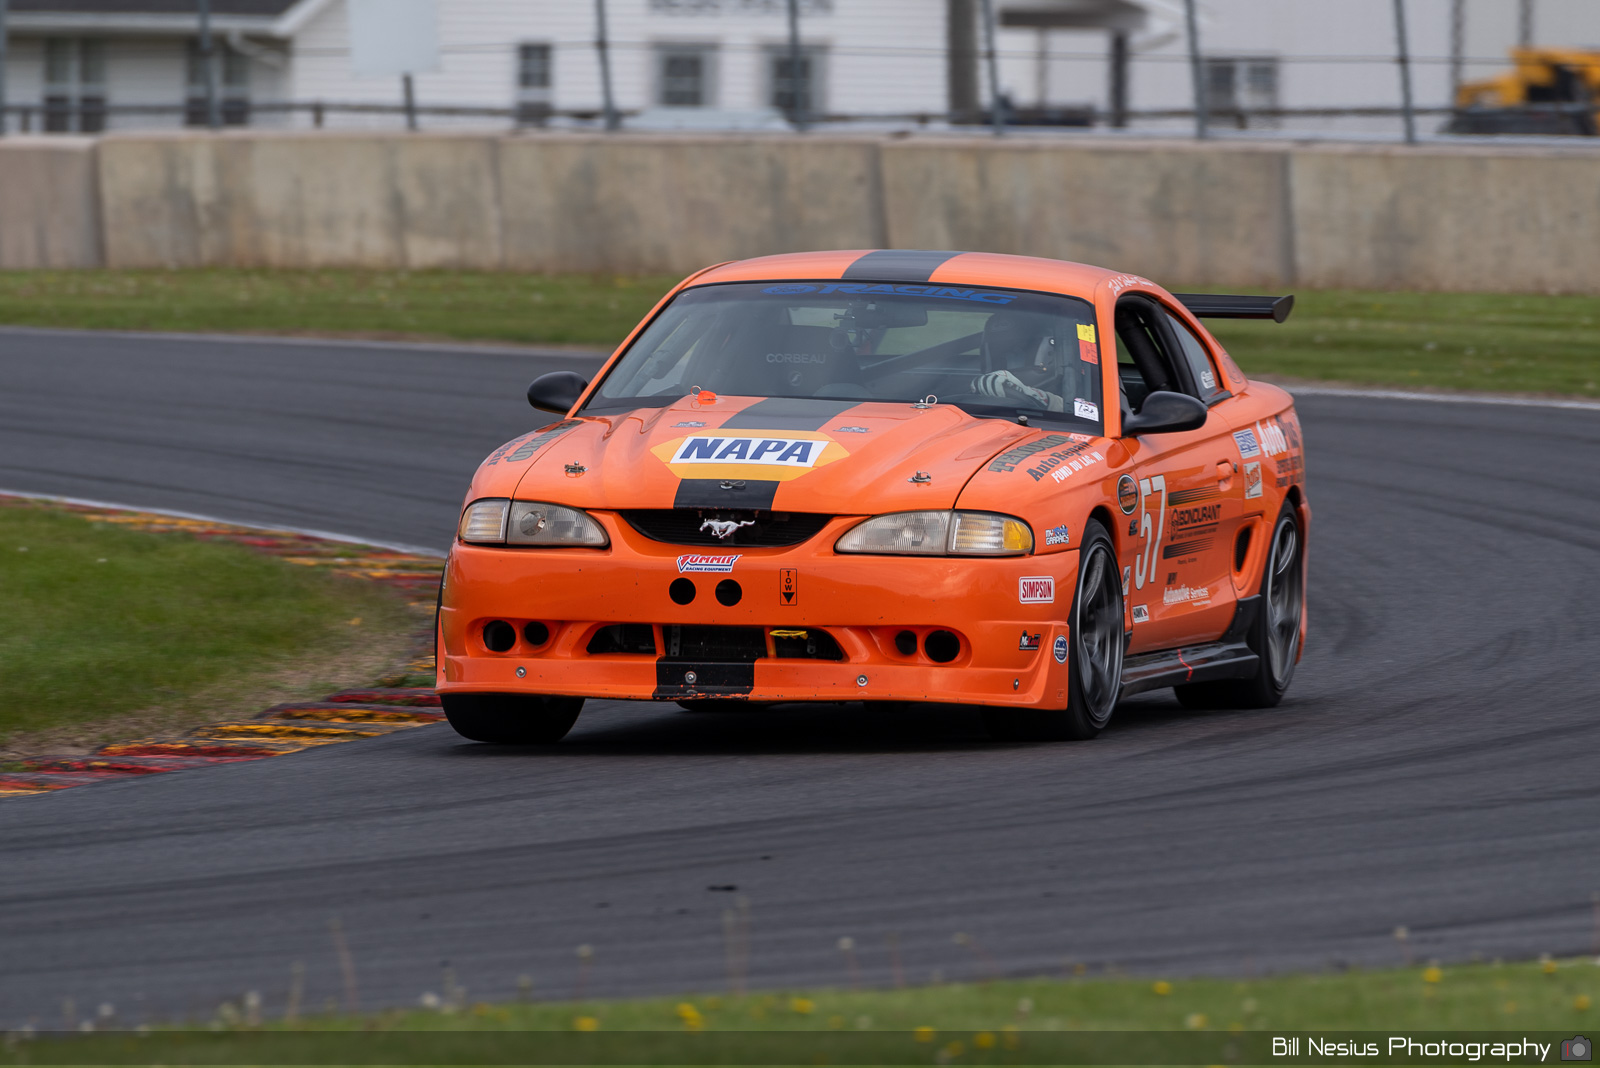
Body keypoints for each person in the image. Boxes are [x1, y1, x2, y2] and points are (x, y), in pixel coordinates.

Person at [967, 310, 1065, 412]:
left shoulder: (1072, 383)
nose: (1009, 358)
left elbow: (1077, 410)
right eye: (998, 353)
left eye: (1018, 352)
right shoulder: (982, 386)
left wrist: (1039, 398)